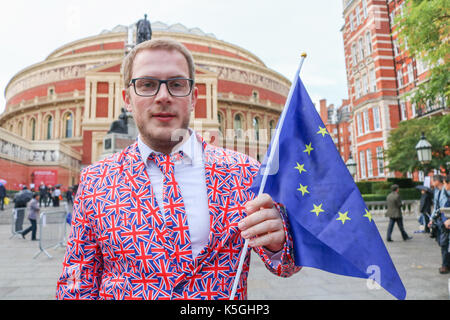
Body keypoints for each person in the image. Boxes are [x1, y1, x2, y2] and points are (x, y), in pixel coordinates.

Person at [56, 38, 300, 300]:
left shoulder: (243, 172)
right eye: (147, 85)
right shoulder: (96, 179)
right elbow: (78, 282)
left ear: (194, 97)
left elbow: (285, 265)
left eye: (176, 84)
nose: (163, 97)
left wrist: (279, 242)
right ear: (127, 99)